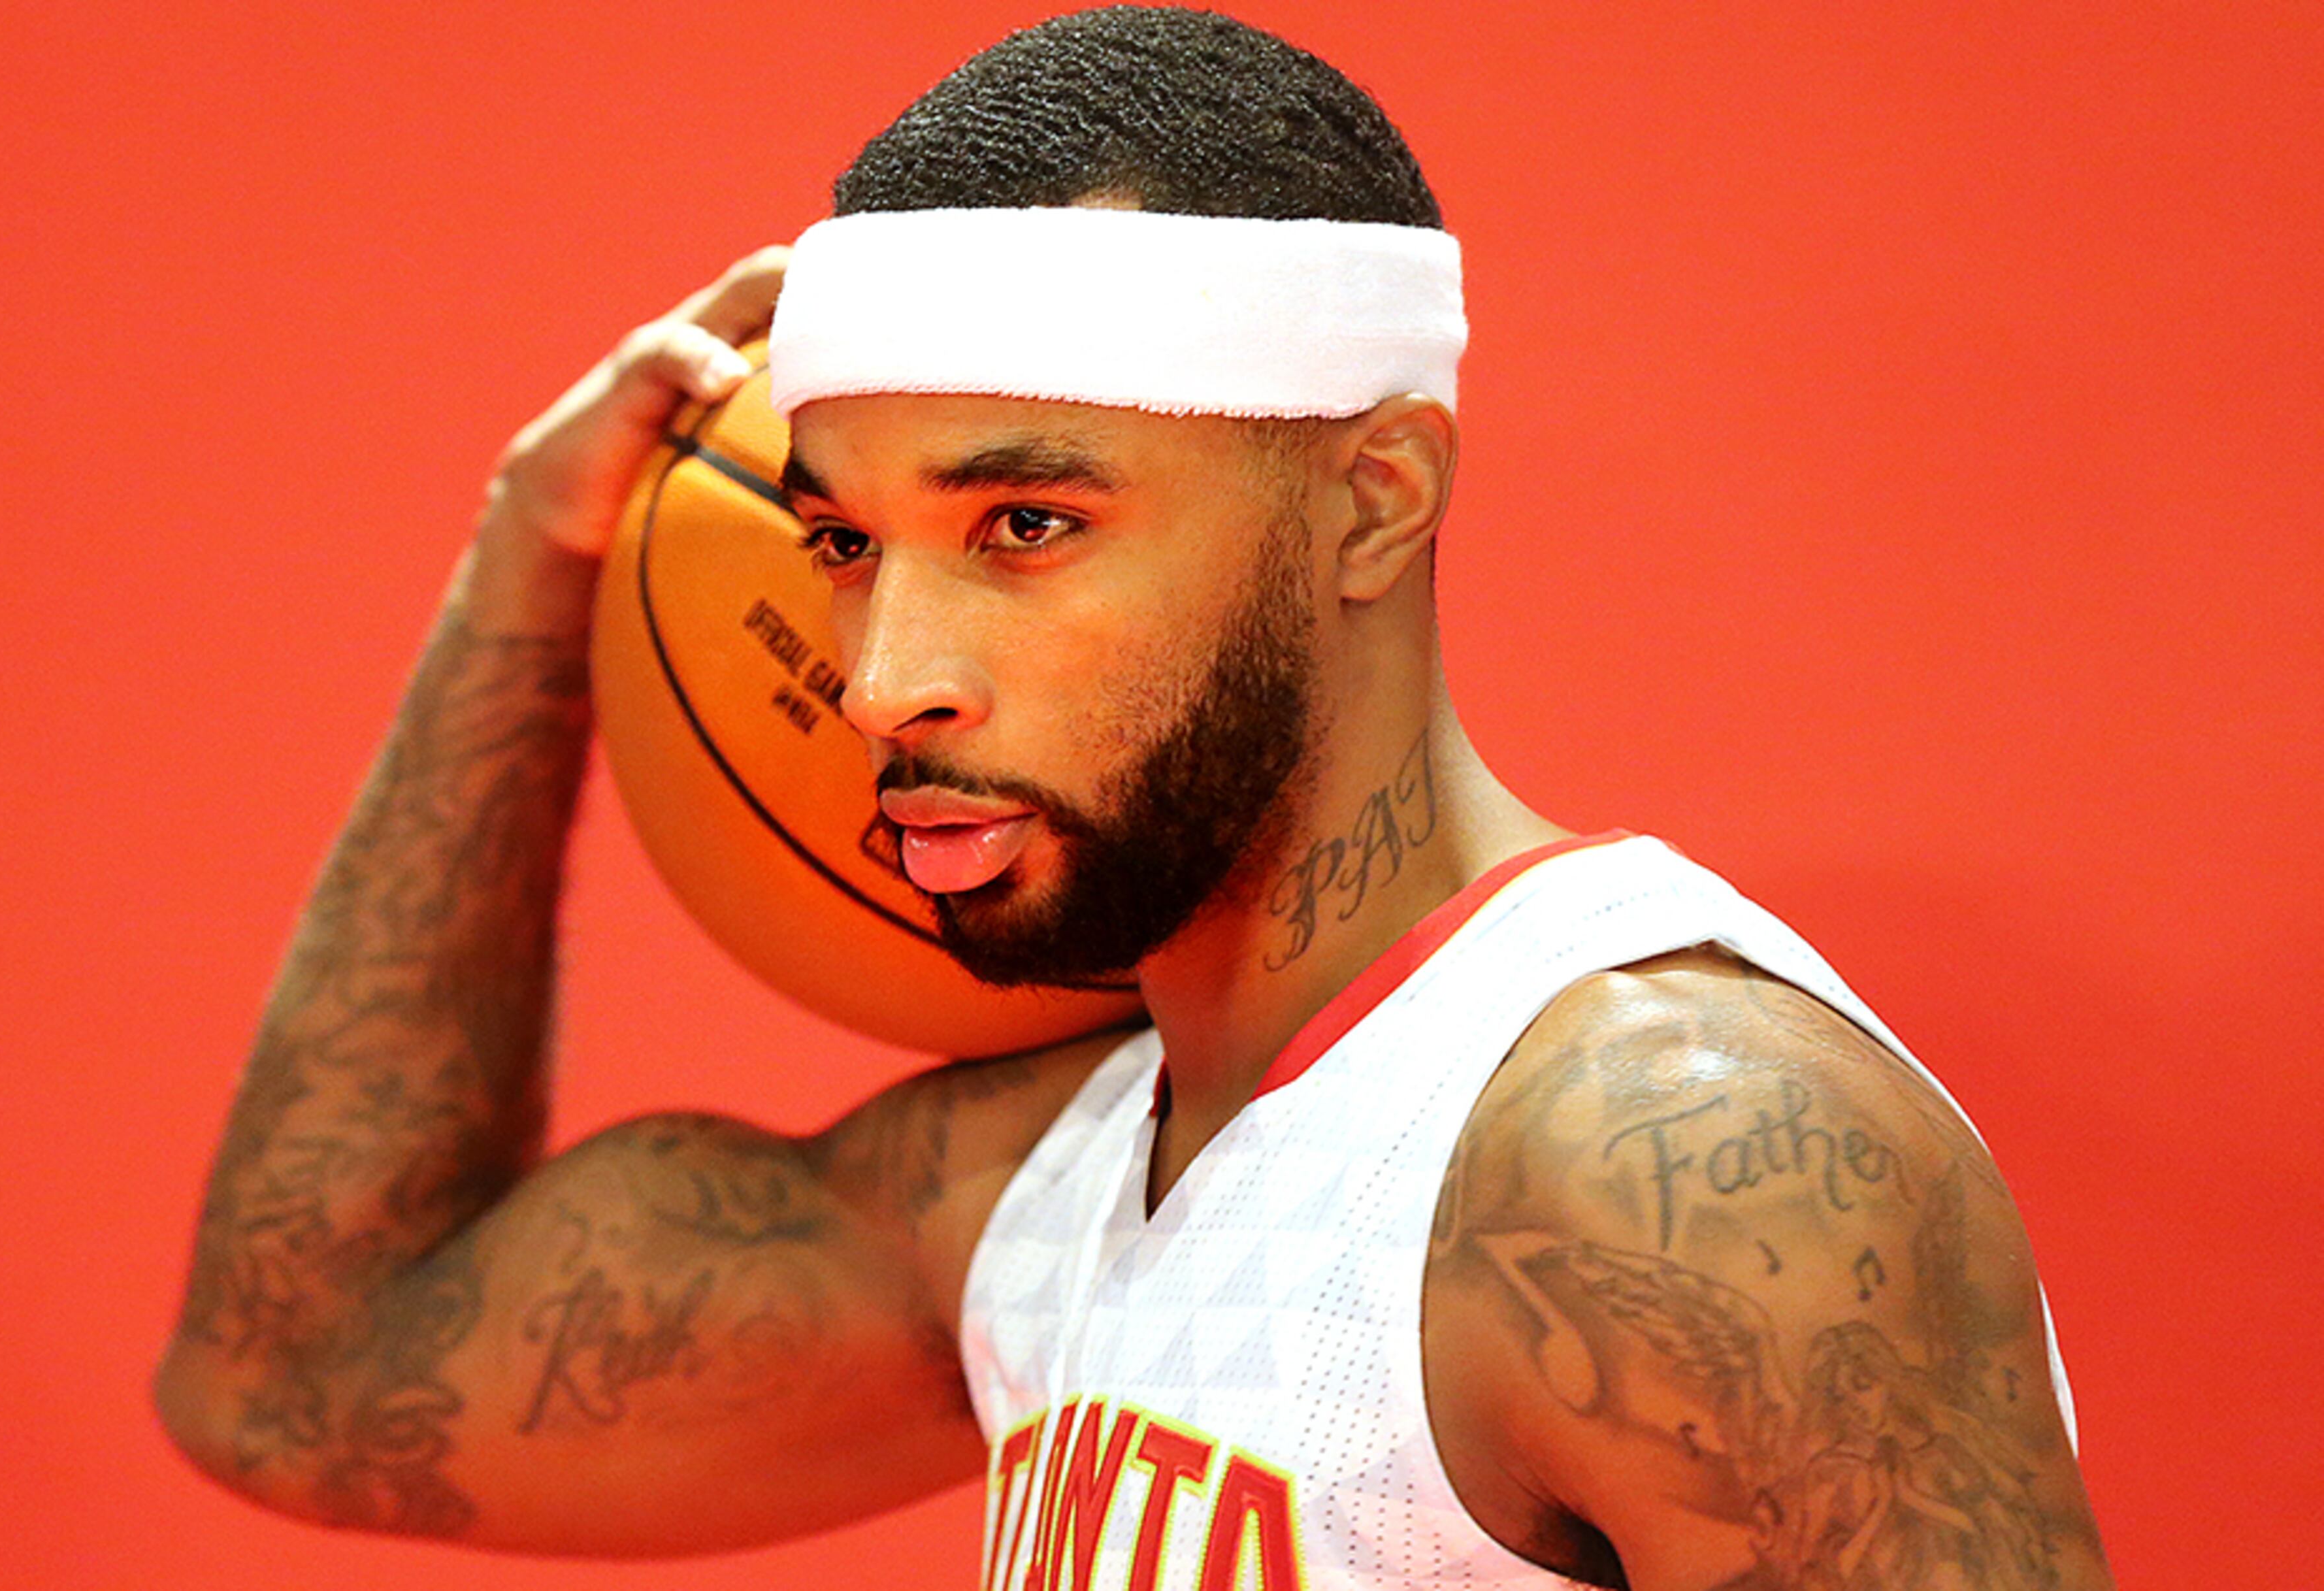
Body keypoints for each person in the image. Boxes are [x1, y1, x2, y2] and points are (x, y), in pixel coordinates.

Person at [155, 10, 2110, 1588]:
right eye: (843, 541)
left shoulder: (1675, 1163)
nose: (880, 671)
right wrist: (528, 569)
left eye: (1026, 522)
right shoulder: (1049, 1185)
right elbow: (303, 1371)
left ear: (1372, 500)